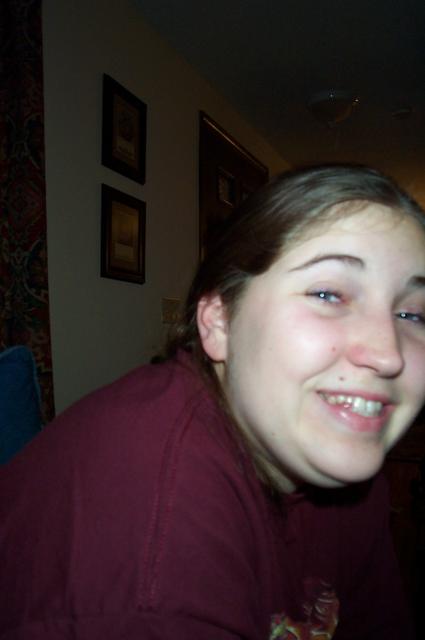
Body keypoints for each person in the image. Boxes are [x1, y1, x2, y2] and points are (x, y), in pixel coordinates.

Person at [1, 165, 425, 639]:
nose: (388, 354)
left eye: (413, 314)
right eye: (328, 294)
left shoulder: (339, 457)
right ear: (219, 323)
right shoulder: (154, 552)